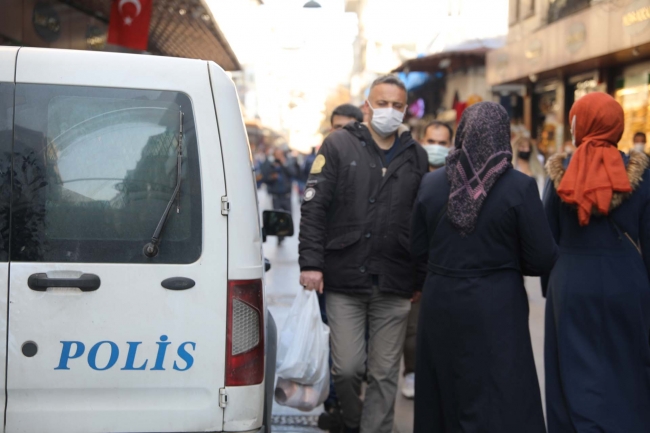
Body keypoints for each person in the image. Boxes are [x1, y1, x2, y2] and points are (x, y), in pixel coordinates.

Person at [411, 102, 558, 433]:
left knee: (444, 388)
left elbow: (417, 249)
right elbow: (541, 257)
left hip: (441, 300)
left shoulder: (431, 185)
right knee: (501, 389)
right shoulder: (519, 187)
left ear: (461, 133)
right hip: (497, 303)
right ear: (503, 136)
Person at [299, 75, 428, 433]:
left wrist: (420, 277)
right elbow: (313, 208)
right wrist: (311, 263)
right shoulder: (338, 145)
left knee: (385, 373)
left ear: (405, 109)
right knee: (348, 368)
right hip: (344, 277)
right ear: (368, 105)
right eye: (382, 103)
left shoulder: (415, 154)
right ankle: (354, 422)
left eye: (397, 105)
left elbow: (422, 221)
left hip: (395, 278)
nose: (389, 111)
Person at [543, 92, 650, 432]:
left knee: (572, 368)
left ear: (582, 124)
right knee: (627, 365)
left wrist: (551, 287)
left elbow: (549, 238)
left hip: (572, 281)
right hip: (626, 279)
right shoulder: (644, 176)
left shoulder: (561, 173)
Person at [399, 120, 453, 401]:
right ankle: (411, 372)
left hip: (446, 263)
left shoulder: (457, 178)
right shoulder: (411, 174)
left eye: (443, 143)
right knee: (413, 326)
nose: (437, 147)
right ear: (422, 140)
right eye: (432, 141)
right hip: (413, 261)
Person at [261, 147, 297, 245]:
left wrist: (284, 163)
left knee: (287, 216)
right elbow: (264, 177)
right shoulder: (270, 164)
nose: (278, 157)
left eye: (280, 154)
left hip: (286, 195)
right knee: (276, 217)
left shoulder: (287, 162)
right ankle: (279, 236)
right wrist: (272, 177)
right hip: (276, 195)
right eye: (277, 155)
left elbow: (293, 173)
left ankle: (283, 233)